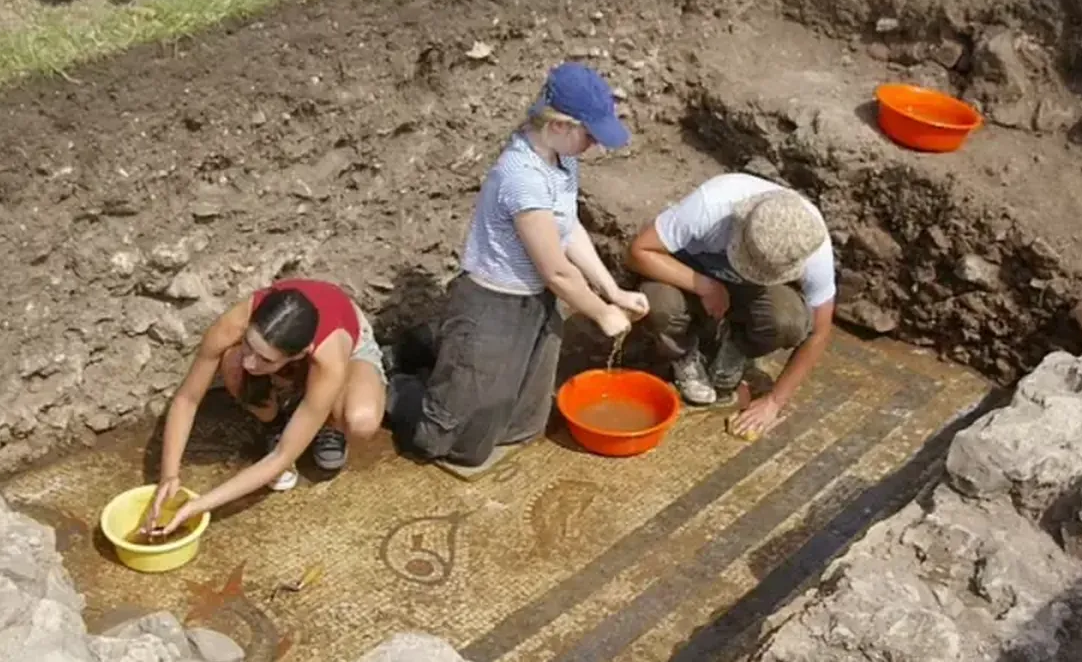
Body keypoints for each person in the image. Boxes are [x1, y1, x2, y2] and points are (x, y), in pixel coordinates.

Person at [388, 61, 649, 468]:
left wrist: (612, 290)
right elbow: (556, 269)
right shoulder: (520, 175)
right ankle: (396, 379)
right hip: (491, 300)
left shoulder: (564, 159)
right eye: (591, 136)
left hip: (536, 302)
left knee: (523, 425)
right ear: (559, 126)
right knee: (455, 444)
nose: (594, 146)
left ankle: (444, 349)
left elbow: (567, 226)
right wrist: (601, 312)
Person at [142, 277, 387, 536]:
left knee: (361, 420)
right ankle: (277, 423)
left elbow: (282, 456)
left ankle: (327, 423)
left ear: (300, 355)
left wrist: (198, 506)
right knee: (233, 364)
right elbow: (187, 399)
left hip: (346, 339)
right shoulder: (234, 322)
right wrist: (169, 476)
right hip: (293, 344)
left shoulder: (330, 359)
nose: (249, 362)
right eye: (248, 343)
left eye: (265, 359)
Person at [626, 172, 837, 438]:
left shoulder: (809, 244)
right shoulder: (712, 206)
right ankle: (682, 352)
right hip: (693, 269)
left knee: (789, 321)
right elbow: (638, 252)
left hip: (752, 292)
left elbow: (819, 332)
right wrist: (703, 285)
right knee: (660, 305)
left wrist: (775, 401)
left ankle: (736, 346)